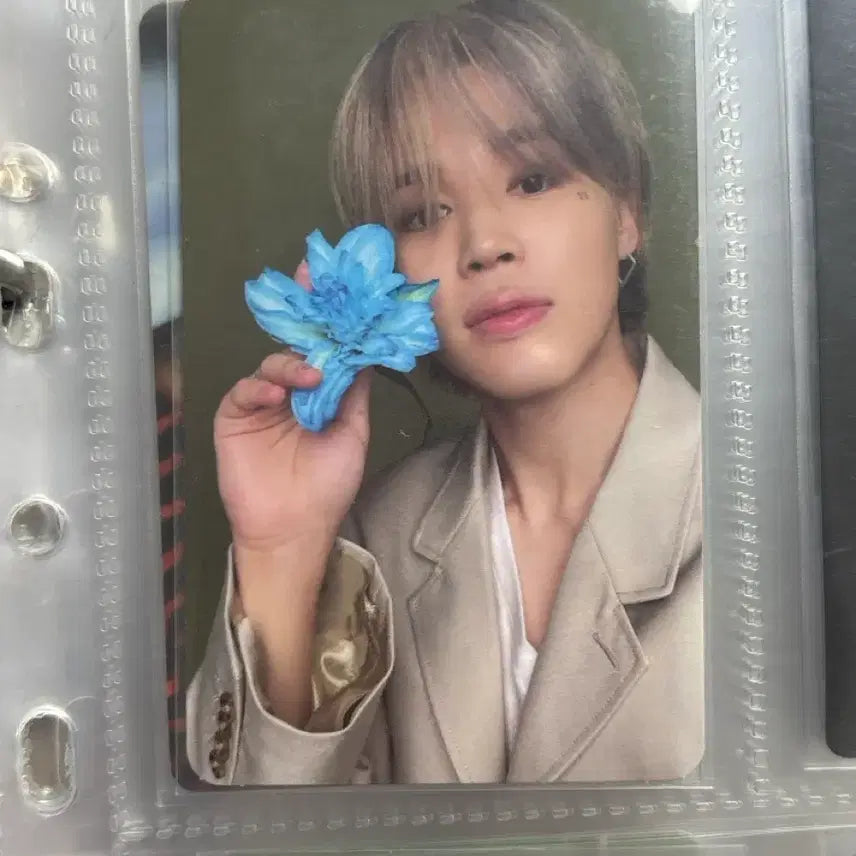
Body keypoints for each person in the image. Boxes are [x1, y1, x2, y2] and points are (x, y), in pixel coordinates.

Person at [186, 0, 703, 786]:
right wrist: (280, 556)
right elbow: (265, 833)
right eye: (423, 213)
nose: (484, 244)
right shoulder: (379, 537)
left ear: (626, 213)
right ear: (391, 272)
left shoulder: (782, 511)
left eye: (532, 178)